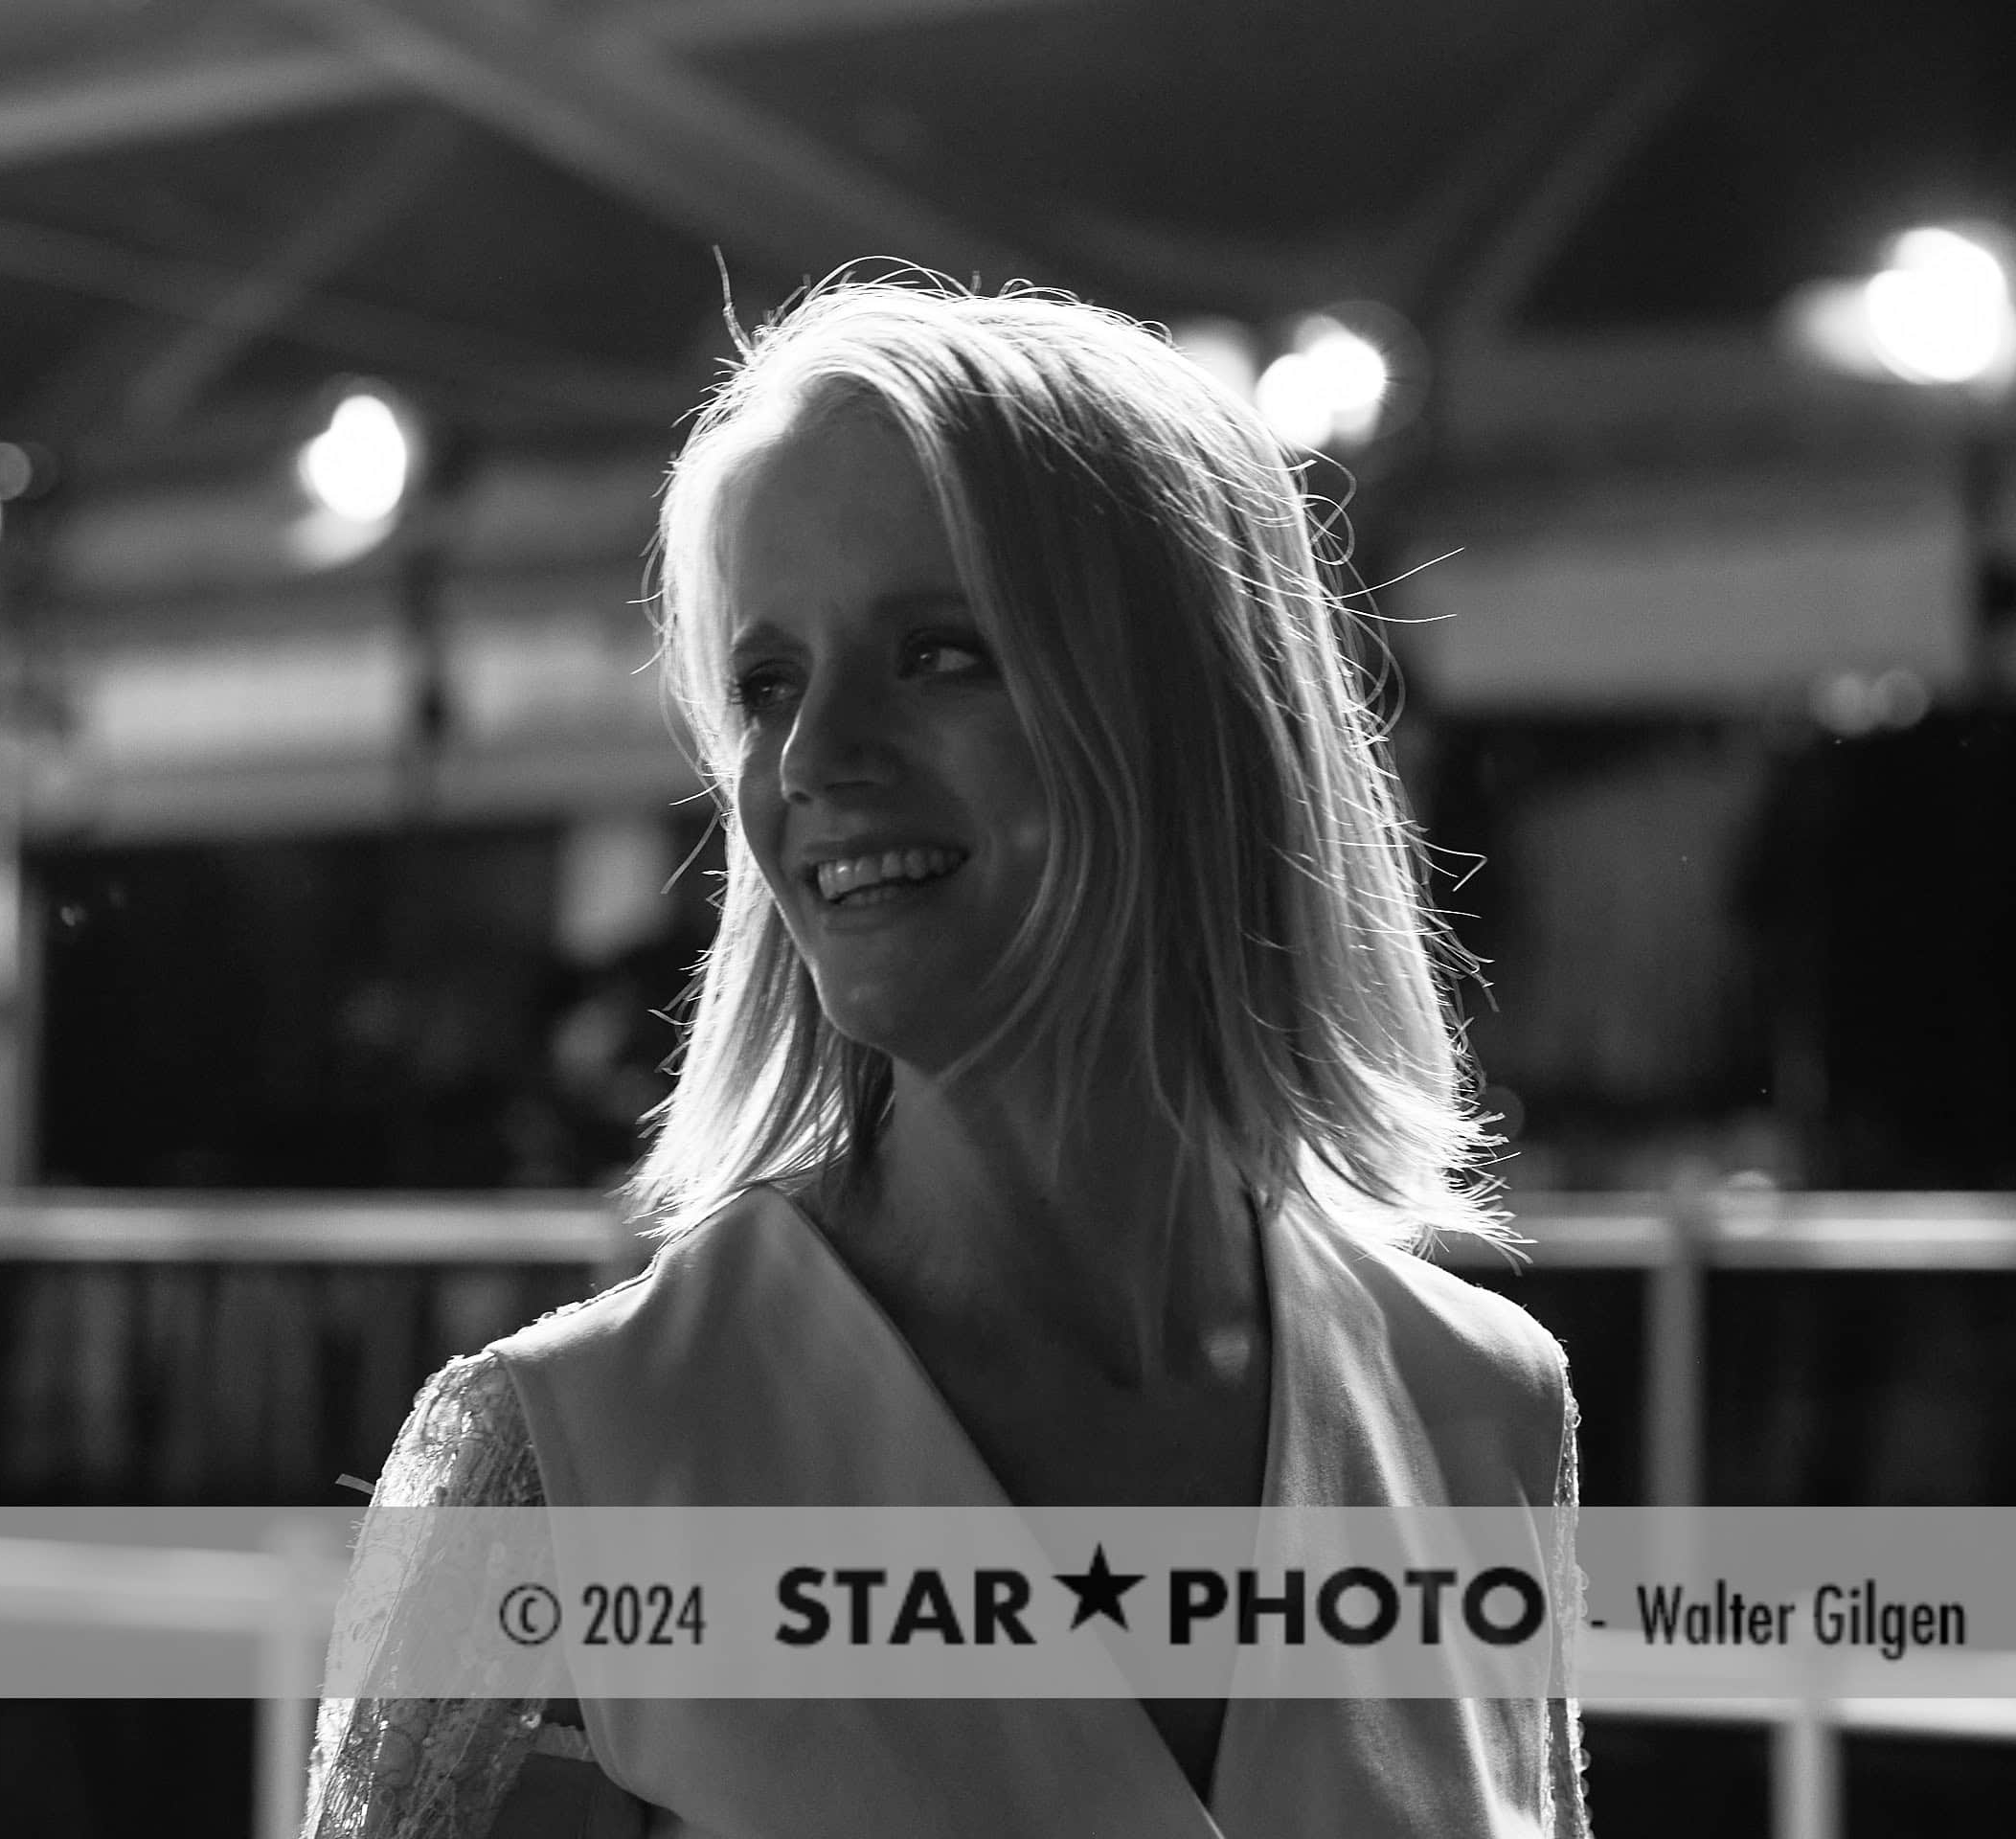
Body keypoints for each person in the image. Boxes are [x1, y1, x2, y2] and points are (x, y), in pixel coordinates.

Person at [305, 276, 1587, 1838]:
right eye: (765, 685)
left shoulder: (1483, 1405)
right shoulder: (561, 1472)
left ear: (1199, 713)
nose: (813, 759)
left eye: (939, 652)